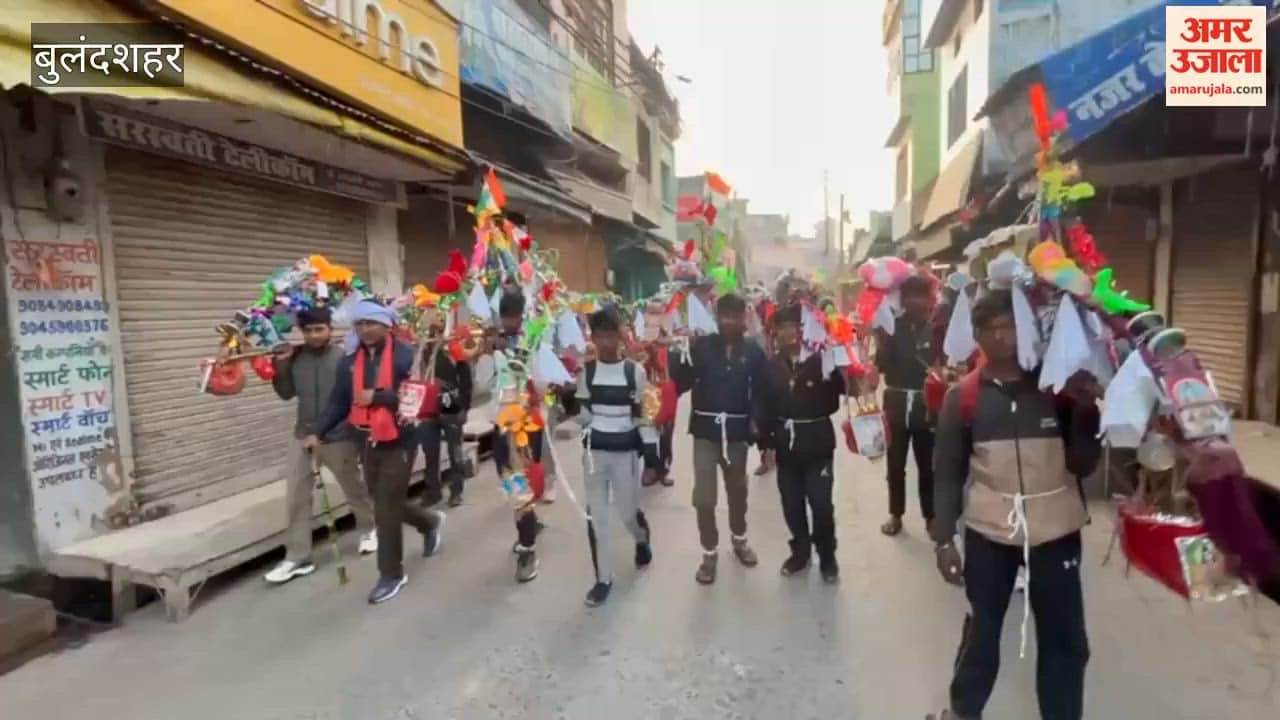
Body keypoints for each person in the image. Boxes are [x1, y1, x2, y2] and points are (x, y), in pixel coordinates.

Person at [928, 290, 1100, 720]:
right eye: (992, 329)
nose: (1003, 337)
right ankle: (963, 712)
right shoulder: (962, 398)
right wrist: (944, 539)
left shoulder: (1056, 390)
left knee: (1065, 641)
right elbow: (947, 472)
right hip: (989, 532)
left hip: (1056, 530)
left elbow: (1083, 464)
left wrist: (1086, 414)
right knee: (981, 633)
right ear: (978, 335)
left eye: (1011, 326)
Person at [309, 299, 446, 605]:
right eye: (359, 324)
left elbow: (421, 398)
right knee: (385, 501)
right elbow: (338, 402)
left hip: (400, 439)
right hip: (365, 440)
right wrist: (317, 431)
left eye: (371, 323)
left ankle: (391, 574)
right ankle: (429, 523)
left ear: (386, 325)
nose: (365, 329)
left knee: (384, 508)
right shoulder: (348, 362)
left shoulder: (407, 356)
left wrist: (379, 397)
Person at [264, 306, 377, 585]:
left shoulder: (345, 357)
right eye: (308, 331)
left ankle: (368, 528)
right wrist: (280, 365)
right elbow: (285, 393)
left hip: (338, 435)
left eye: (319, 329)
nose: (314, 335)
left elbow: (355, 397)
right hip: (302, 435)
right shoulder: (294, 356)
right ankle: (298, 557)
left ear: (330, 329)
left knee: (353, 487)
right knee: (297, 496)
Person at [671, 293, 767, 585]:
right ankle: (709, 553)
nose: (729, 322)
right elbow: (681, 383)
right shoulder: (701, 347)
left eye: (734, 317)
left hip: (737, 432)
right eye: (724, 316)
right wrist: (678, 352)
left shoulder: (753, 351)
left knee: (738, 491)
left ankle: (739, 540)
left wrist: (757, 421)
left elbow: (762, 391)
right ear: (716, 317)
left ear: (743, 319)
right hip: (705, 432)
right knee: (704, 498)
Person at [565, 308, 656, 606]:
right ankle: (603, 579)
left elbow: (643, 416)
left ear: (620, 336)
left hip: (625, 453)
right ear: (593, 337)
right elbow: (584, 414)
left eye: (611, 336)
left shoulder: (634, 372)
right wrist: (562, 416)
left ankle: (641, 538)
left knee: (627, 512)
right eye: (600, 336)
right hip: (595, 454)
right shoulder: (588, 373)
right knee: (598, 516)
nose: (606, 343)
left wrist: (652, 454)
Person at [755, 304, 844, 583]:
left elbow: (843, 392)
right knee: (792, 504)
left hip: (818, 442)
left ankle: (827, 556)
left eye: (793, 326)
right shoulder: (770, 366)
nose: (788, 332)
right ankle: (800, 552)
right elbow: (764, 406)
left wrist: (851, 371)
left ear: (803, 329)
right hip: (786, 445)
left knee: (821, 503)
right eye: (781, 328)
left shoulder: (821, 360)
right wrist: (765, 444)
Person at [875, 274, 939, 537]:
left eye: (921, 296)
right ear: (902, 300)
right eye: (910, 296)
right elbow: (880, 366)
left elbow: (947, 363)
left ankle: (931, 517)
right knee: (895, 464)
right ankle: (896, 514)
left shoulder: (936, 329)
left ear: (929, 299)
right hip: (897, 403)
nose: (915, 302)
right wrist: (880, 339)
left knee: (928, 465)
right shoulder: (891, 327)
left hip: (927, 404)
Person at [416, 311, 473, 508]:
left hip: (451, 402)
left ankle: (456, 490)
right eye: (431, 324)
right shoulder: (422, 348)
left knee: (454, 449)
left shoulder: (453, 347)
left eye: (438, 323)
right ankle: (433, 491)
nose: (434, 327)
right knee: (430, 450)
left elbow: (466, 379)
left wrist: (465, 406)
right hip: (427, 403)